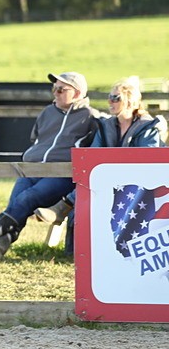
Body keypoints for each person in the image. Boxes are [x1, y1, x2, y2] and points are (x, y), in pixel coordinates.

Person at [0, 72, 100, 263]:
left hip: (61, 175)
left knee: (26, 199)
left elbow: (99, 143)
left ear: (77, 93)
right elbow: (36, 139)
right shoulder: (47, 113)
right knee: (15, 204)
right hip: (32, 169)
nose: (56, 93)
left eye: (61, 89)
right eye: (54, 88)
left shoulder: (91, 117)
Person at [34, 76, 167, 248]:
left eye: (115, 98)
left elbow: (145, 161)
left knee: (92, 188)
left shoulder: (147, 127)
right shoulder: (106, 126)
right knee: (84, 195)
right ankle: (74, 251)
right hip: (108, 180)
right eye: (109, 97)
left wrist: (112, 167)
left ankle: (63, 206)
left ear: (130, 101)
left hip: (139, 184)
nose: (110, 102)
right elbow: (94, 156)